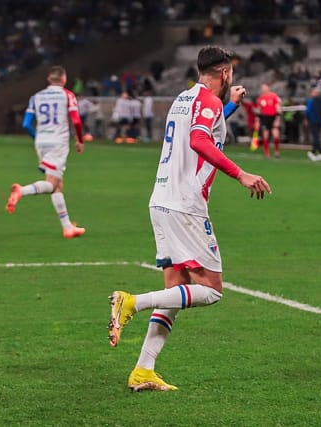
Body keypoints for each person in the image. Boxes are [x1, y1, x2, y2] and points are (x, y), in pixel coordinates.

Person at [107, 45, 272, 392]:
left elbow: (201, 128)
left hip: (161, 200)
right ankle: (132, 302)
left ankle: (143, 370)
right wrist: (241, 174)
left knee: (176, 291)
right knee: (211, 291)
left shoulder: (183, 99)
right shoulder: (209, 104)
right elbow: (199, 140)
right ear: (225, 73)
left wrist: (231, 106)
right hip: (185, 206)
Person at [6, 65, 86, 239]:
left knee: (57, 184)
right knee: (52, 184)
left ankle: (67, 228)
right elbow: (76, 121)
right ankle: (22, 190)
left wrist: (37, 138)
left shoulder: (36, 97)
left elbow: (26, 124)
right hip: (58, 142)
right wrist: (80, 140)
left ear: (49, 79)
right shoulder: (67, 95)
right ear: (64, 79)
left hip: (41, 142)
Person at [256, 83, 282, 158]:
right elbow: (259, 110)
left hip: (273, 117)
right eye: (262, 88)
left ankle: (277, 152)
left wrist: (277, 119)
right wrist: (257, 121)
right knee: (265, 136)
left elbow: (278, 108)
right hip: (265, 118)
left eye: (264, 87)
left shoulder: (274, 96)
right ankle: (267, 153)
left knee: (276, 135)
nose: (263, 89)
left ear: (268, 88)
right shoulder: (261, 98)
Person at [305, 86, 321, 161]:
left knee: (316, 137)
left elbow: (308, 111)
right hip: (319, 121)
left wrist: (306, 119)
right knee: (316, 136)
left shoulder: (310, 101)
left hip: (313, 121)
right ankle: (313, 152)